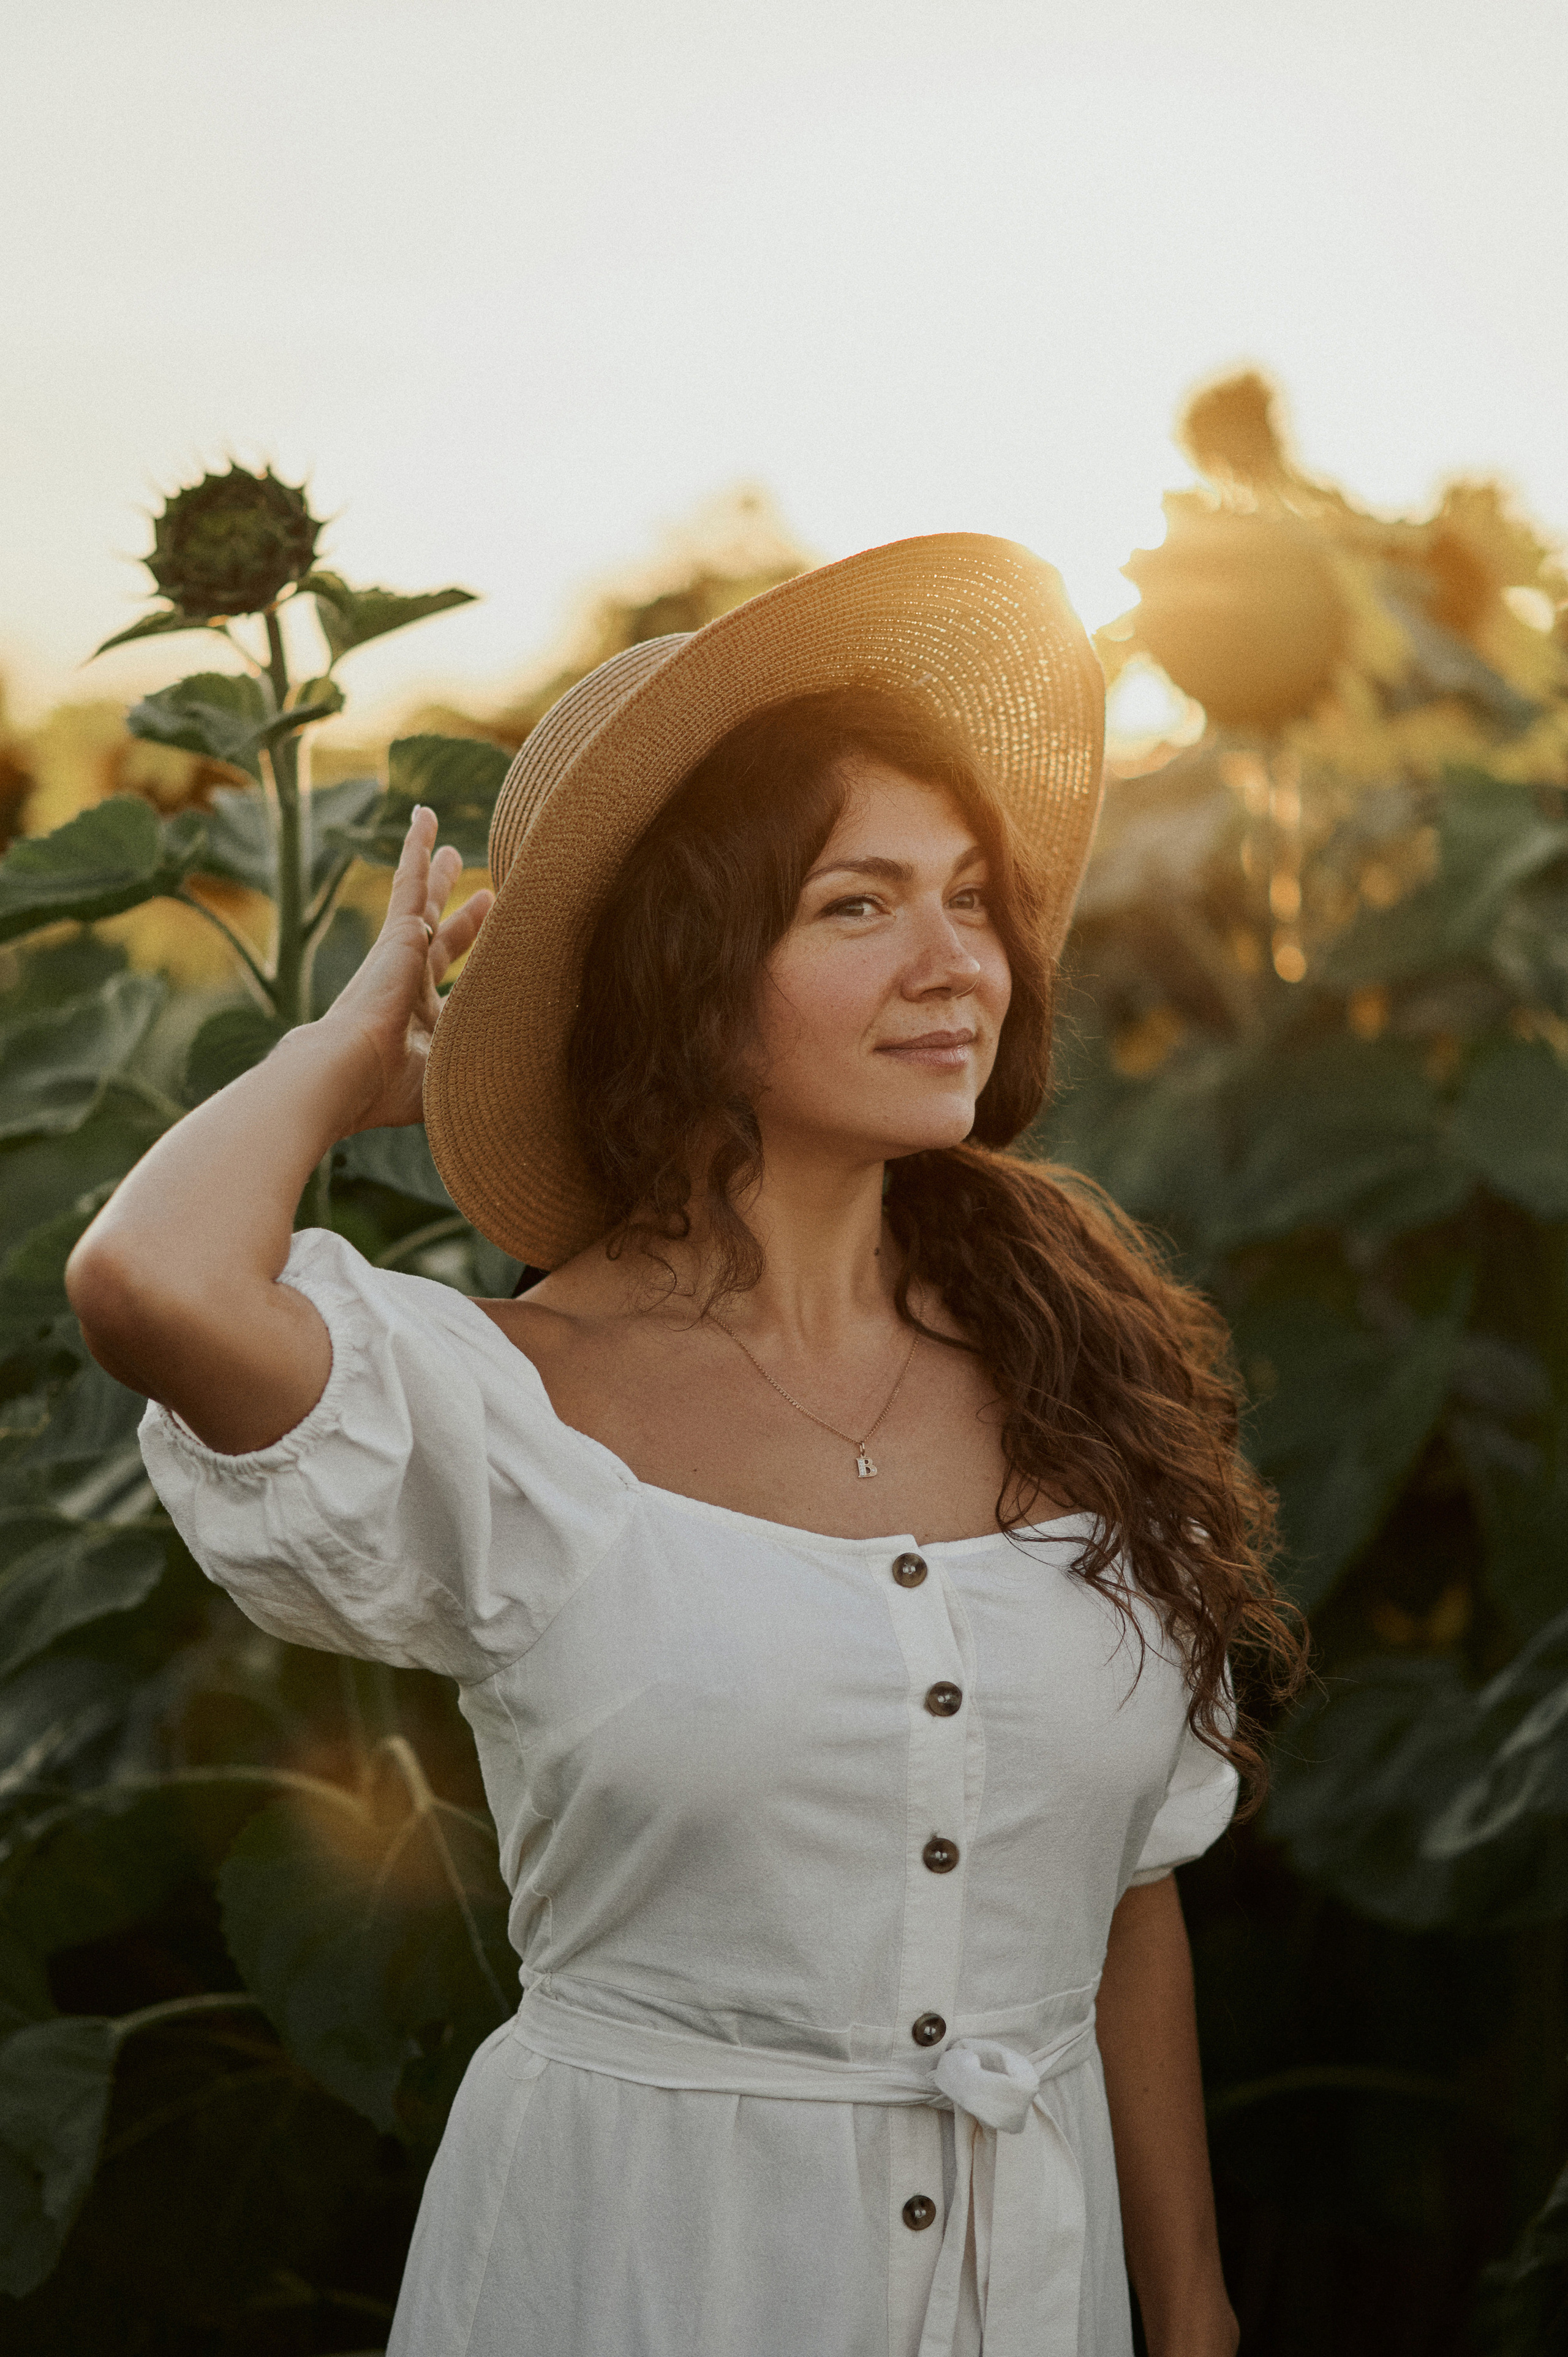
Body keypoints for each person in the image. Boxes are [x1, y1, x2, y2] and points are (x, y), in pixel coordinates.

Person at [68, 535, 1300, 2357]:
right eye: (857, 906)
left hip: (1027, 2296)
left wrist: (1192, 2324)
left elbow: (1126, 1896)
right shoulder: (504, 1396)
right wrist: (349, 1050)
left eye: (973, 896)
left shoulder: (1074, 1370)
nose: (958, 962)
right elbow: (149, 1281)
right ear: (692, 967)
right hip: (639, 2271)